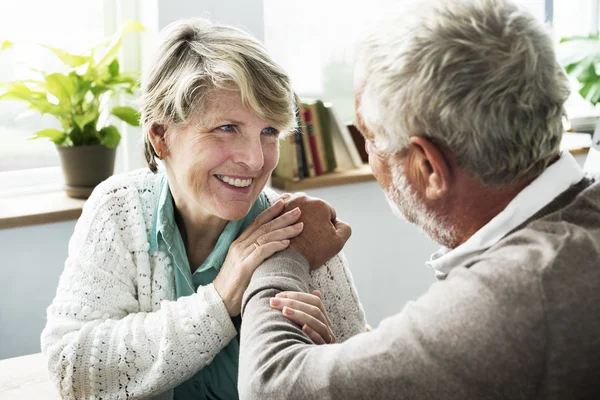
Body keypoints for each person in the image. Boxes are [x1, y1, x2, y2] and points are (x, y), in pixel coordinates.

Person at [238, 0, 600, 399]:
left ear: (428, 166)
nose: (369, 156)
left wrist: (283, 252)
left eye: (370, 139)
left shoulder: (515, 297)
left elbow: (271, 385)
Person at [40, 18, 366, 400]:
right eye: (227, 128)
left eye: (268, 132)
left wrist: (325, 362)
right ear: (161, 136)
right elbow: (72, 367)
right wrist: (219, 301)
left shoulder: (296, 228)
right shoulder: (118, 208)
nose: (256, 160)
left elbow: (361, 377)